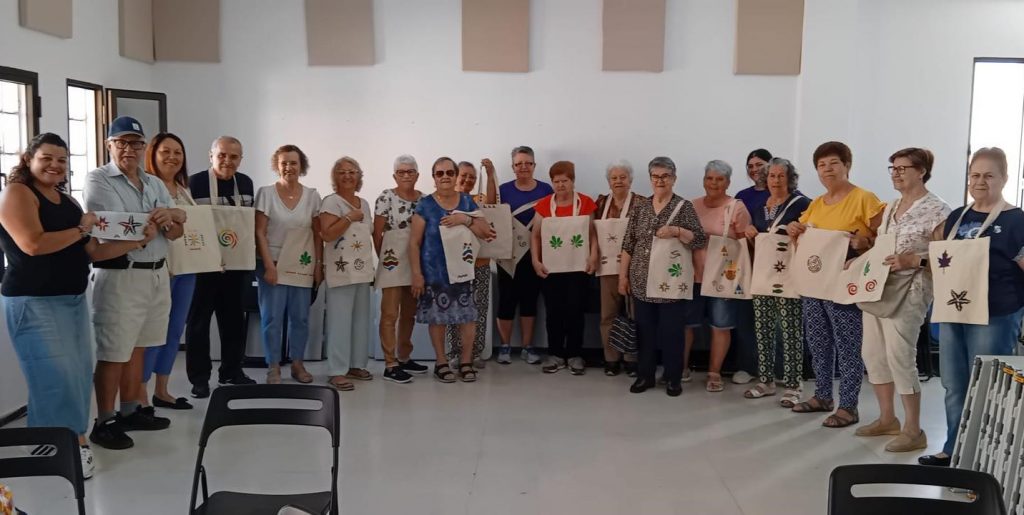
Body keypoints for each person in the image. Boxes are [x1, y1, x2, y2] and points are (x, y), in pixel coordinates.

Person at [0, 133, 159, 476]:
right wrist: (82, 227)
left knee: (74, 377)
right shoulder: (17, 193)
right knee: (54, 377)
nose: (55, 165)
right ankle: (71, 444)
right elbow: (31, 244)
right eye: (47, 158)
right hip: (33, 302)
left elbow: (94, 252)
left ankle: (51, 439)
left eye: (61, 160)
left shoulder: (67, 202)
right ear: (28, 159)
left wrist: (135, 243)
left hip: (70, 300)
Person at [85, 116, 186, 450]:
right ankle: (104, 420)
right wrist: (160, 219)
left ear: (145, 147)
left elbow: (176, 229)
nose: (129, 149)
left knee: (140, 344)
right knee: (114, 350)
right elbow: (113, 225)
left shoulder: (153, 182)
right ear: (109, 145)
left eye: (135, 143)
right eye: (122, 143)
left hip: (157, 271)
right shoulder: (99, 179)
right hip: (121, 273)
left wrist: (170, 220)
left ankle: (131, 409)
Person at [920, 147, 1024, 466]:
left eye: (989, 175)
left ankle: (985, 455)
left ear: (1004, 178)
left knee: (988, 385)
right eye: (974, 175)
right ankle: (955, 448)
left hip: (996, 312)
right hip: (956, 308)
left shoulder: (1016, 219)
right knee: (954, 383)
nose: (980, 182)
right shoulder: (958, 216)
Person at [856, 148, 949, 453]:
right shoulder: (892, 206)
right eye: (892, 168)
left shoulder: (938, 210)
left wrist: (914, 260)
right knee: (873, 354)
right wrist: (857, 262)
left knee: (900, 356)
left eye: (902, 168)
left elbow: (946, 257)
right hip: (878, 286)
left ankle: (913, 429)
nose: (896, 173)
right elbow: (881, 246)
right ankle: (887, 418)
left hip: (912, 290)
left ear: (921, 171)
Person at [787, 141, 885, 428]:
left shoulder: (864, 198)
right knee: (818, 342)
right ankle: (822, 396)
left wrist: (863, 242)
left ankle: (849, 405)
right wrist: (795, 230)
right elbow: (804, 237)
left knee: (848, 344)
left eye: (833, 163)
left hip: (844, 284)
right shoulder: (816, 203)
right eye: (821, 165)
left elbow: (886, 235)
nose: (827, 169)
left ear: (847, 166)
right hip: (815, 284)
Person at [620, 156, 707, 396]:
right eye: (655, 176)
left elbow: (699, 239)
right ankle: (645, 376)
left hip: (671, 282)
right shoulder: (641, 207)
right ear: (650, 179)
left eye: (665, 176)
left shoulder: (684, 206)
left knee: (672, 333)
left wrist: (677, 231)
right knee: (645, 331)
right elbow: (628, 244)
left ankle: (673, 377)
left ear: (674, 178)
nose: (660, 180)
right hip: (641, 281)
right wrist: (622, 277)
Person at [409, 157, 495, 382]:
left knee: (468, 318)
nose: (445, 176)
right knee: (438, 319)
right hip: (434, 274)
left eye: (449, 172)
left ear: (456, 176)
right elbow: (414, 243)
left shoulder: (467, 202)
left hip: (464, 272)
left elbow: (485, 231)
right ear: (434, 178)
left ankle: (466, 362)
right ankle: (441, 363)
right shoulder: (425, 205)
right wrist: (417, 274)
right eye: (440, 173)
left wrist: (464, 219)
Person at [186, 136, 257, 399]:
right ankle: (199, 379)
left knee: (234, 321)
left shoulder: (246, 183)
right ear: (211, 155)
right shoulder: (195, 182)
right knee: (198, 323)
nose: (228, 161)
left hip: (236, 266)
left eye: (234, 156)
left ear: (241, 159)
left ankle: (231, 372)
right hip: (204, 266)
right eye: (222, 155)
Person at [741, 158, 810, 406]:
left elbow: (812, 235)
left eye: (781, 176)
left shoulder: (802, 204)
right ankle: (766, 380)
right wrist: (750, 234)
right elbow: (759, 244)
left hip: (790, 277)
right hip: (763, 276)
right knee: (763, 329)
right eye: (772, 176)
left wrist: (800, 229)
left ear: (790, 178)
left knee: (791, 331)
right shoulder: (761, 207)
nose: (776, 180)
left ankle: (793, 384)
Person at [254, 145, 323, 384]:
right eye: (283, 163)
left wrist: (318, 265)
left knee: (300, 318)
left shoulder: (313, 196)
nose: (288, 167)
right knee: (272, 317)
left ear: (301, 166)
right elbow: (260, 233)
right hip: (271, 263)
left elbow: (317, 234)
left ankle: (297, 364)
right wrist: (269, 267)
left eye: (293, 163)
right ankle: (273, 366)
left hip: (301, 263)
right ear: (277, 166)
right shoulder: (266, 193)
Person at [684, 160, 752, 392]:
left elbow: (744, 244)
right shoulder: (691, 206)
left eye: (719, 179)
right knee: (686, 325)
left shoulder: (736, 207)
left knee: (721, 326)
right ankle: (681, 368)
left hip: (723, 279)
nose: (713, 183)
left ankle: (714, 373)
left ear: (728, 182)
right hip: (692, 275)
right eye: (709, 178)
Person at [140, 132, 196, 410]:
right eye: (166, 152)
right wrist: (174, 216)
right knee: (153, 332)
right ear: (153, 154)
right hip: (161, 269)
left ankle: (162, 389)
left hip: (187, 270)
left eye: (178, 152)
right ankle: (140, 392)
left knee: (174, 331)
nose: (173, 157)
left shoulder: (183, 189)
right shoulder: (147, 186)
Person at [530, 161, 599, 375]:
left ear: (573, 181)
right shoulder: (543, 205)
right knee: (554, 312)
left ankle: (575, 355)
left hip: (578, 268)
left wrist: (594, 256)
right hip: (551, 270)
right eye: (556, 181)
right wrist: (535, 260)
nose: (560, 185)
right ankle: (556, 354)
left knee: (576, 311)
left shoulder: (586, 203)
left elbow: (592, 234)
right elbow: (535, 235)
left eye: (565, 181)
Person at [319, 157, 374, 391]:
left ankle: (356, 364)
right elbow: (327, 234)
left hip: (362, 270)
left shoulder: (365, 203)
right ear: (335, 177)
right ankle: (337, 370)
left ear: (359, 176)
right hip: (341, 270)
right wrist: (349, 217)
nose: (348, 176)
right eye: (342, 172)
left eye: (352, 172)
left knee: (361, 320)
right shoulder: (331, 202)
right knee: (339, 321)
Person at [496, 146, 553, 365]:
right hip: (508, 256)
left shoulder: (546, 190)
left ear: (534, 166)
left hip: (535, 255)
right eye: (519, 163)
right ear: (512, 167)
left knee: (530, 301)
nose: (523, 167)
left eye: (528, 163)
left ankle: (528, 347)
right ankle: (504, 346)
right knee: (507, 301)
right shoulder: (503, 190)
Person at [373, 155, 427, 383]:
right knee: (389, 314)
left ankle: (404, 356)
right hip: (392, 260)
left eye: (410, 171)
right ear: (395, 175)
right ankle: (390, 363)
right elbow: (376, 233)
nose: (406, 175)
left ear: (417, 174)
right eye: (401, 172)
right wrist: (385, 260)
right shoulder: (386, 197)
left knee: (409, 313)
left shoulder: (424, 200)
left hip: (416, 261)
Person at [445, 159, 497, 369]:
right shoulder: (445, 200)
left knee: (478, 309)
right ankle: (454, 352)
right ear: (456, 176)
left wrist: (491, 174)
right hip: (452, 264)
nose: (467, 180)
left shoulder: (479, 199)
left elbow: (493, 202)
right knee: (453, 309)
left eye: (472, 177)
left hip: (480, 263)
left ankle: (474, 353)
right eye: (463, 175)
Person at [594, 160, 641, 376]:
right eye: (614, 178)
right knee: (608, 314)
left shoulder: (641, 203)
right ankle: (611, 358)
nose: (618, 181)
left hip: (635, 267)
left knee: (635, 313)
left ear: (630, 180)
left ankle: (632, 358)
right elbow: (592, 233)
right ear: (608, 181)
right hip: (607, 266)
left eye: (623, 177)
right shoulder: (601, 203)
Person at [735, 149, 772, 215]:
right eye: (750, 166)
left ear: (770, 165)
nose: (754, 169)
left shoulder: (779, 193)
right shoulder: (741, 196)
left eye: (759, 165)